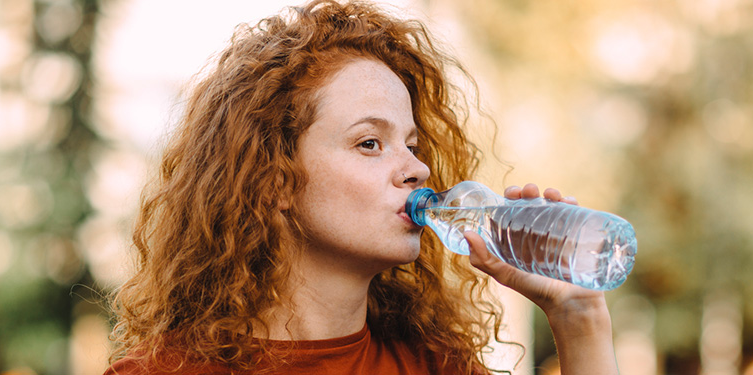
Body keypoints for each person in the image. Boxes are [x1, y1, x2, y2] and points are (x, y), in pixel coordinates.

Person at [104, 1, 619, 374]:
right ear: (275, 177)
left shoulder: (434, 364)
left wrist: (580, 318)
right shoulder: (165, 371)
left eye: (413, 144)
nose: (416, 169)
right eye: (370, 143)